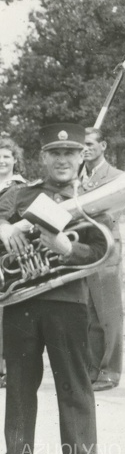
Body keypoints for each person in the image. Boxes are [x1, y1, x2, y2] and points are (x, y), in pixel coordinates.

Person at [0, 123, 111, 454]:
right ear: (43, 157)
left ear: (82, 156)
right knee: (18, 384)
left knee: (73, 382)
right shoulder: (20, 194)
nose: (63, 160)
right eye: (55, 153)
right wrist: (4, 228)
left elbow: (107, 250)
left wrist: (69, 249)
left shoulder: (94, 198)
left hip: (67, 301)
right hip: (20, 302)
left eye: (70, 153)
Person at [80, 127, 124, 392]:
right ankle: (92, 368)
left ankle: (110, 370)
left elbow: (116, 213)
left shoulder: (116, 177)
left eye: (89, 144)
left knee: (109, 312)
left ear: (104, 146)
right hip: (83, 248)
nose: (84, 149)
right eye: (81, 145)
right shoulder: (76, 176)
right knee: (88, 311)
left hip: (106, 246)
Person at [0, 138, 26, 390]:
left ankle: (7, 368)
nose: (1, 160)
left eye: (6, 156)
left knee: (7, 312)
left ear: (15, 160)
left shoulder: (17, 188)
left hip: (6, 258)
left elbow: (5, 217)